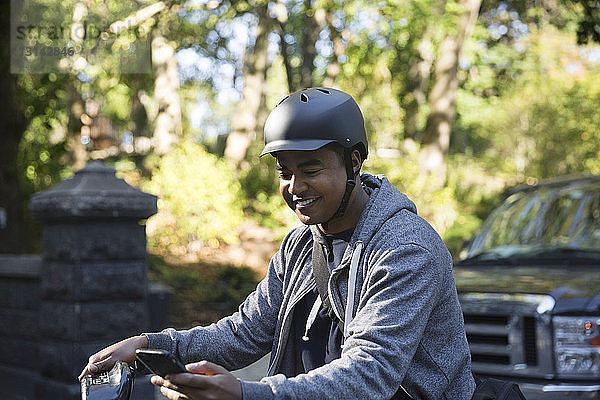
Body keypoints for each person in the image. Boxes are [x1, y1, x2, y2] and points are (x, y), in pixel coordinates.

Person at [80, 87, 475, 400]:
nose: (295, 187)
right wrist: (152, 344)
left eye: (311, 169)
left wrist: (246, 393)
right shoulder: (301, 243)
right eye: (284, 172)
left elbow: (369, 376)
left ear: (354, 161)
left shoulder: (406, 247)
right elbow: (245, 333)